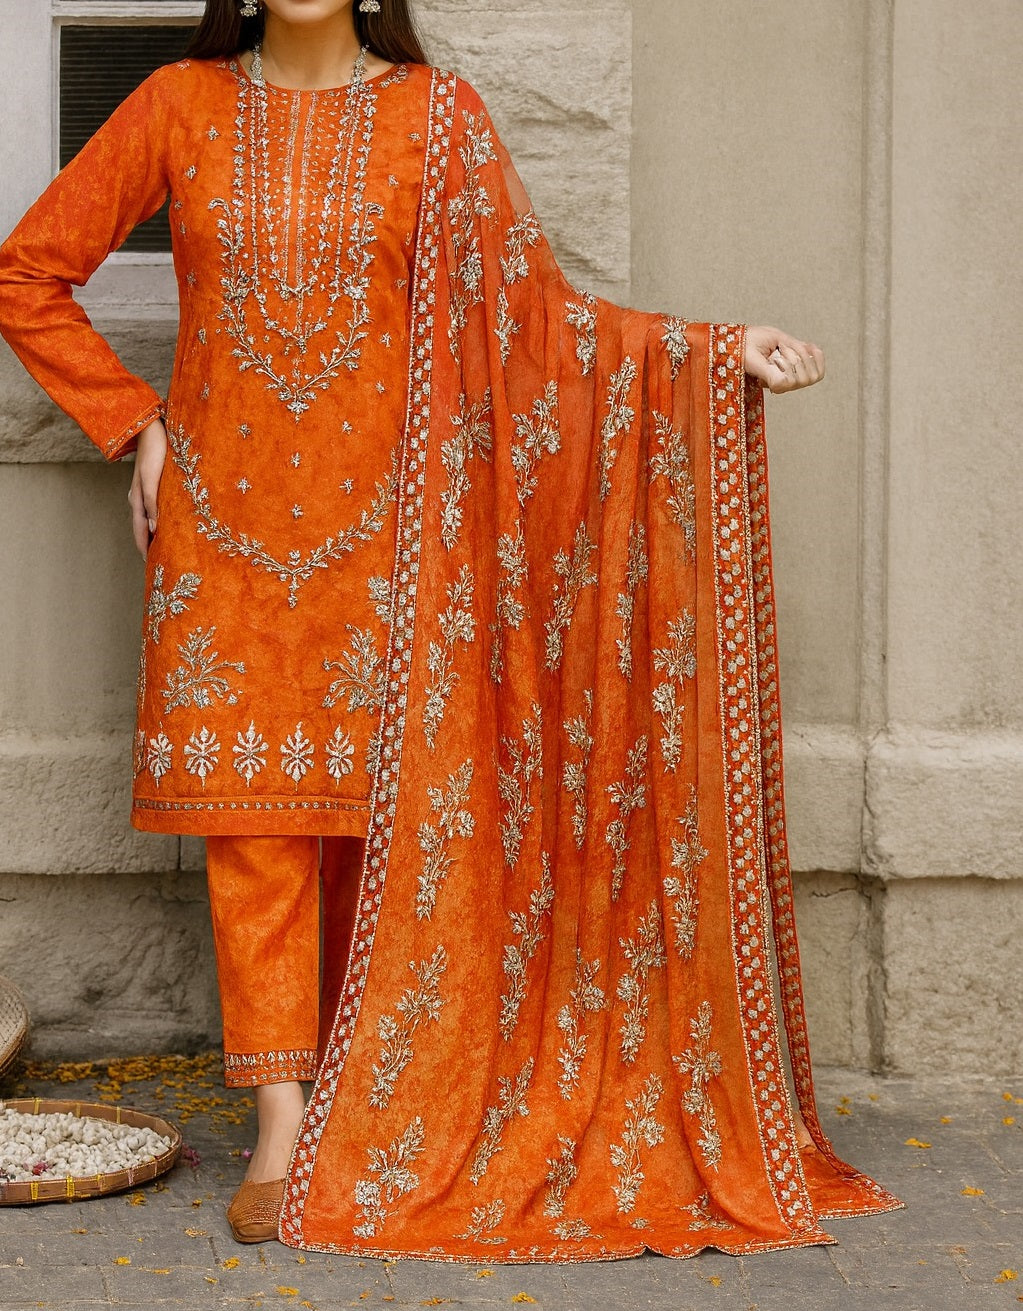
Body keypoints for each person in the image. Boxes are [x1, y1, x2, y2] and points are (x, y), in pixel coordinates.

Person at [0, 0, 898, 1260]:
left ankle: (378, 1111)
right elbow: (26, 272)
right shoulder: (176, 106)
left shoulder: (439, 118)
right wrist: (133, 426)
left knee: (394, 818)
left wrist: (704, 353)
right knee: (253, 828)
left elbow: (532, 319)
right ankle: (279, 1125)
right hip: (226, 538)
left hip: (402, 536)